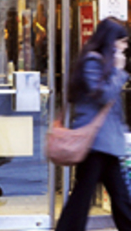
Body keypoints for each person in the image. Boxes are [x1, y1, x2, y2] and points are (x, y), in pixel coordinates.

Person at [56, 17, 131, 231]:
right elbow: (103, 96)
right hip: (95, 143)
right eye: (122, 42)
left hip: (106, 143)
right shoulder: (92, 62)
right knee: (84, 197)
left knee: (117, 197)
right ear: (111, 41)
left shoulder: (102, 64)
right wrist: (118, 71)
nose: (124, 47)